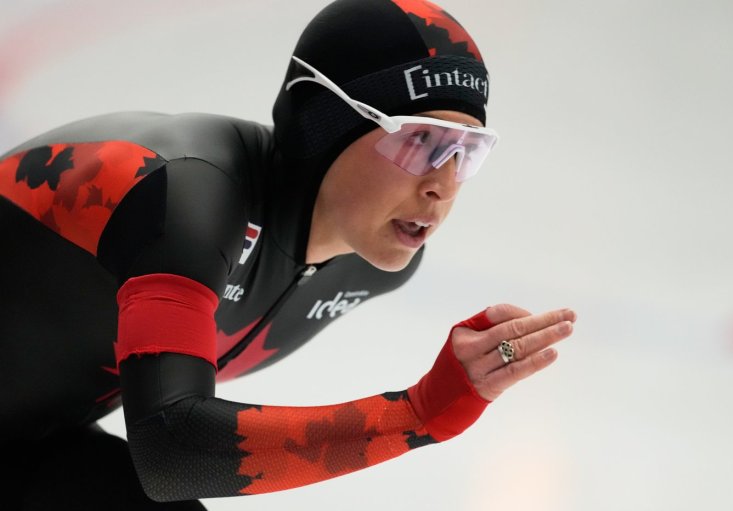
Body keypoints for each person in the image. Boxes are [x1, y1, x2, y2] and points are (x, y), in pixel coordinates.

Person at [0, 0, 576, 509]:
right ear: (321, 123)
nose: (442, 186)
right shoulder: (185, 195)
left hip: (34, 441)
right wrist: (417, 412)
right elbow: (172, 447)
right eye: (419, 140)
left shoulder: (371, 264)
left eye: (465, 151)